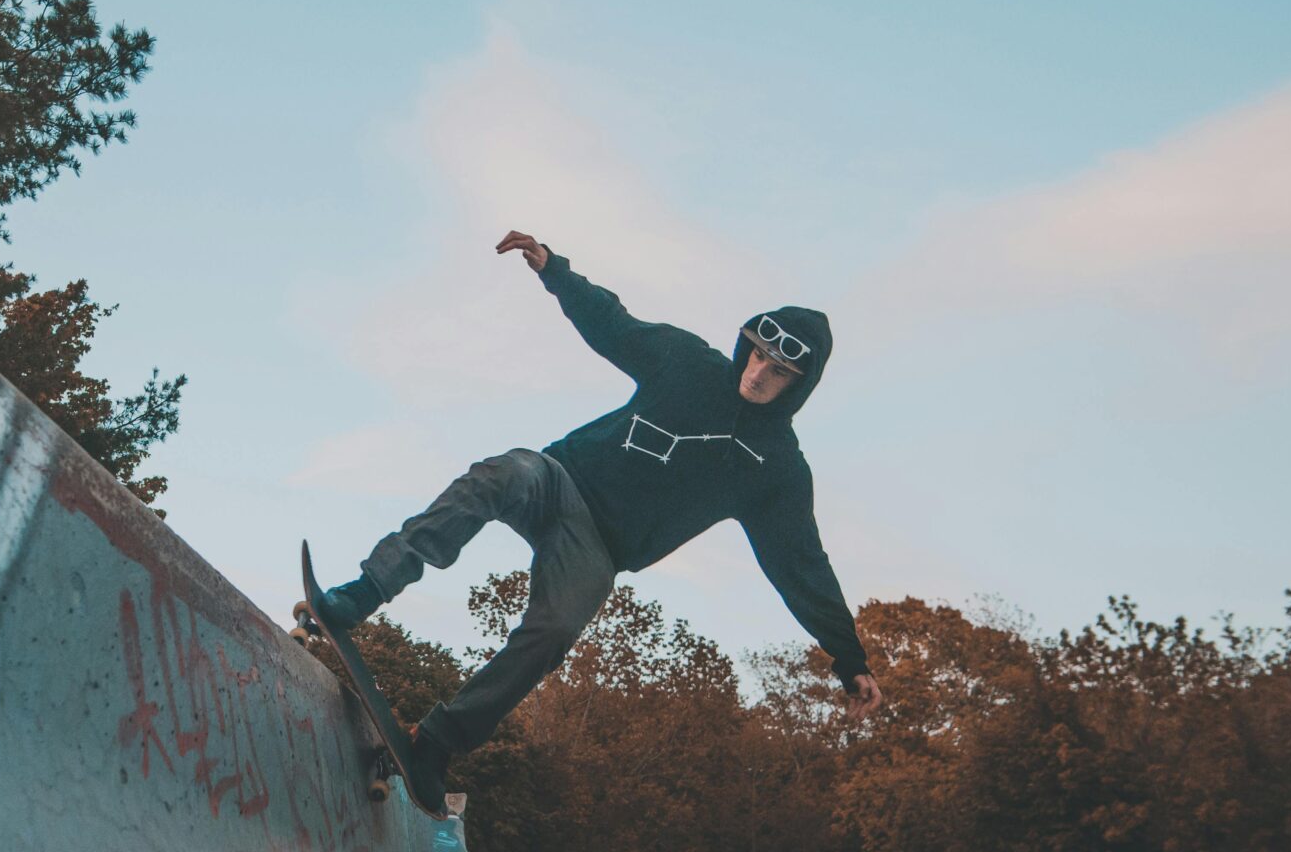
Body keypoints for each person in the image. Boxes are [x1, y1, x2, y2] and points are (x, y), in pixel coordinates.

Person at [312, 230, 883, 812]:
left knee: (555, 630)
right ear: (747, 346)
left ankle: (437, 742)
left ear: (799, 386)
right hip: (558, 480)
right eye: (758, 355)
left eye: (778, 371)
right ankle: (366, 590)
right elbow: (613, 324)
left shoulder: (778, 471)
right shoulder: (687, 362)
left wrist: (850, 658)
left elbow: (801, 563)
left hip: (600, 547)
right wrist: (554, 270)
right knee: (497, 475)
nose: (758, 375)